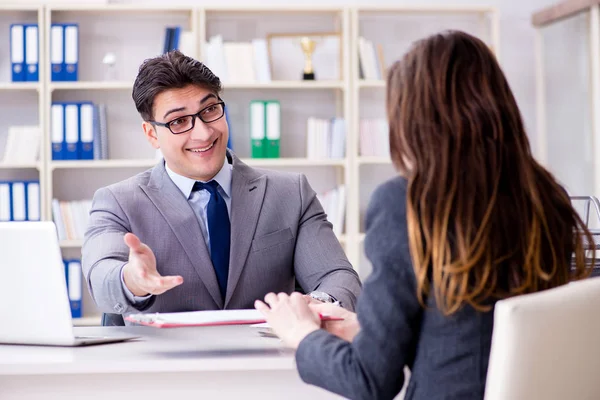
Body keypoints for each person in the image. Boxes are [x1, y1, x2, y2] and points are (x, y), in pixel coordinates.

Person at [255, 30, 594, 400]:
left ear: (414, 120)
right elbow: (469, 330)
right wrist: (368, 329)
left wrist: (302, 333)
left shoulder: (406, 203)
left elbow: (368, 381)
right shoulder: (546, 196)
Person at [82, 50, 361, 320]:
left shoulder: (291, 193)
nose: (203, 133)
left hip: (268, 358)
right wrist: (132, 279)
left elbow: (338, 278)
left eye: (210, 109)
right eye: (179, 121)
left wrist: (318, 303)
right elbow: (101, 277)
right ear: (151, 134)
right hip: (166, 364)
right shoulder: (117, 202)